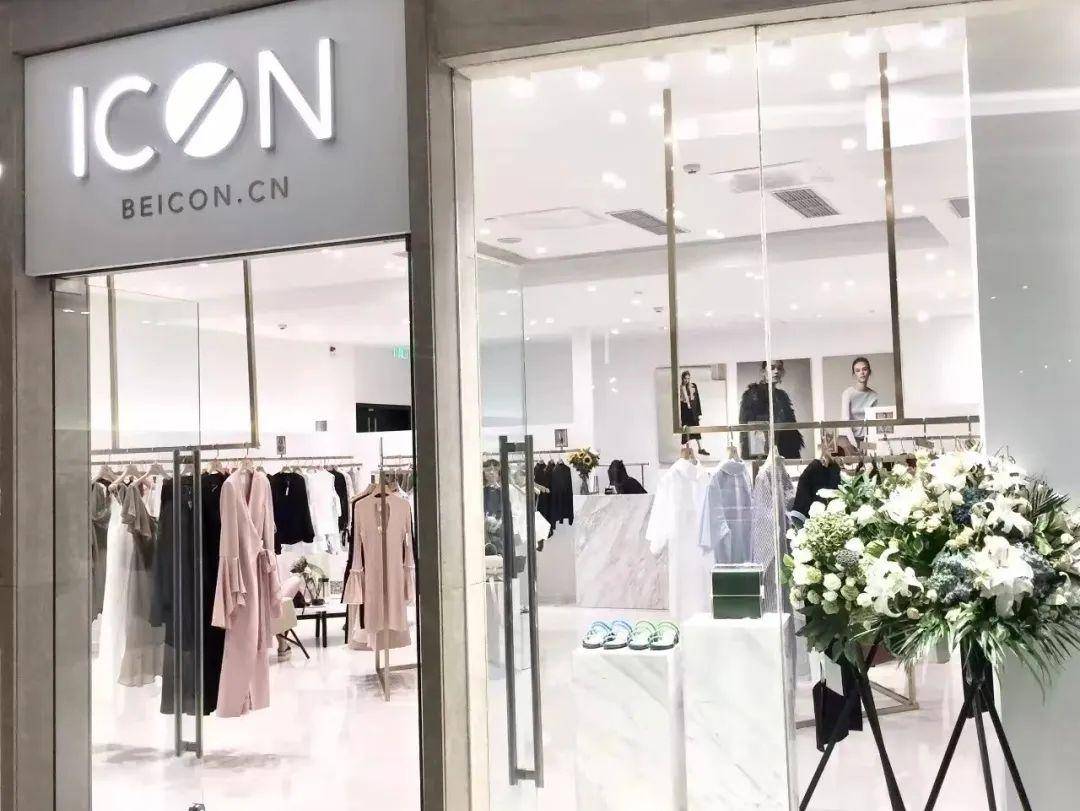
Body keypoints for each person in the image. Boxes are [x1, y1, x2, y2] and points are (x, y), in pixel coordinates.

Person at [738, 360, 804, 460]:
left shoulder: (782, 396)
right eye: (772, 368)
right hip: (761, 449)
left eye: (779, 368)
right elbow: (745, 429)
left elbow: (791, 427)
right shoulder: (751, 395)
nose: (776, 371)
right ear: (763, 372)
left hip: (783, 450)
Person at [841, 356, 879, 445]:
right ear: (854, 374)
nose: (862, 373)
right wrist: (855, 445)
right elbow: (845, 422)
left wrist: (866, 443)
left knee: (875, 451)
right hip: (847, 439)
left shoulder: (874, 395)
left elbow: (873, 423)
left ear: (869, 372)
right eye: (858, 370)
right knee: (851, 452)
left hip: (866, 438)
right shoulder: (847, 393)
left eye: (864, 369)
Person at [679, 370, 710, 456]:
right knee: (686, 433)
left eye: (688, 378)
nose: (687, 380)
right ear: (682, 378)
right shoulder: (680, 388)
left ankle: (701, 449)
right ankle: (687, 451)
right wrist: (680, 419)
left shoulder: (693, 386)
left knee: (697, 431)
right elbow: (679, 404)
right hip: (685, 413)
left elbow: (697, 400)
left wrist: (699, 413)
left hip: (694, 412)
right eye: (685, 378)